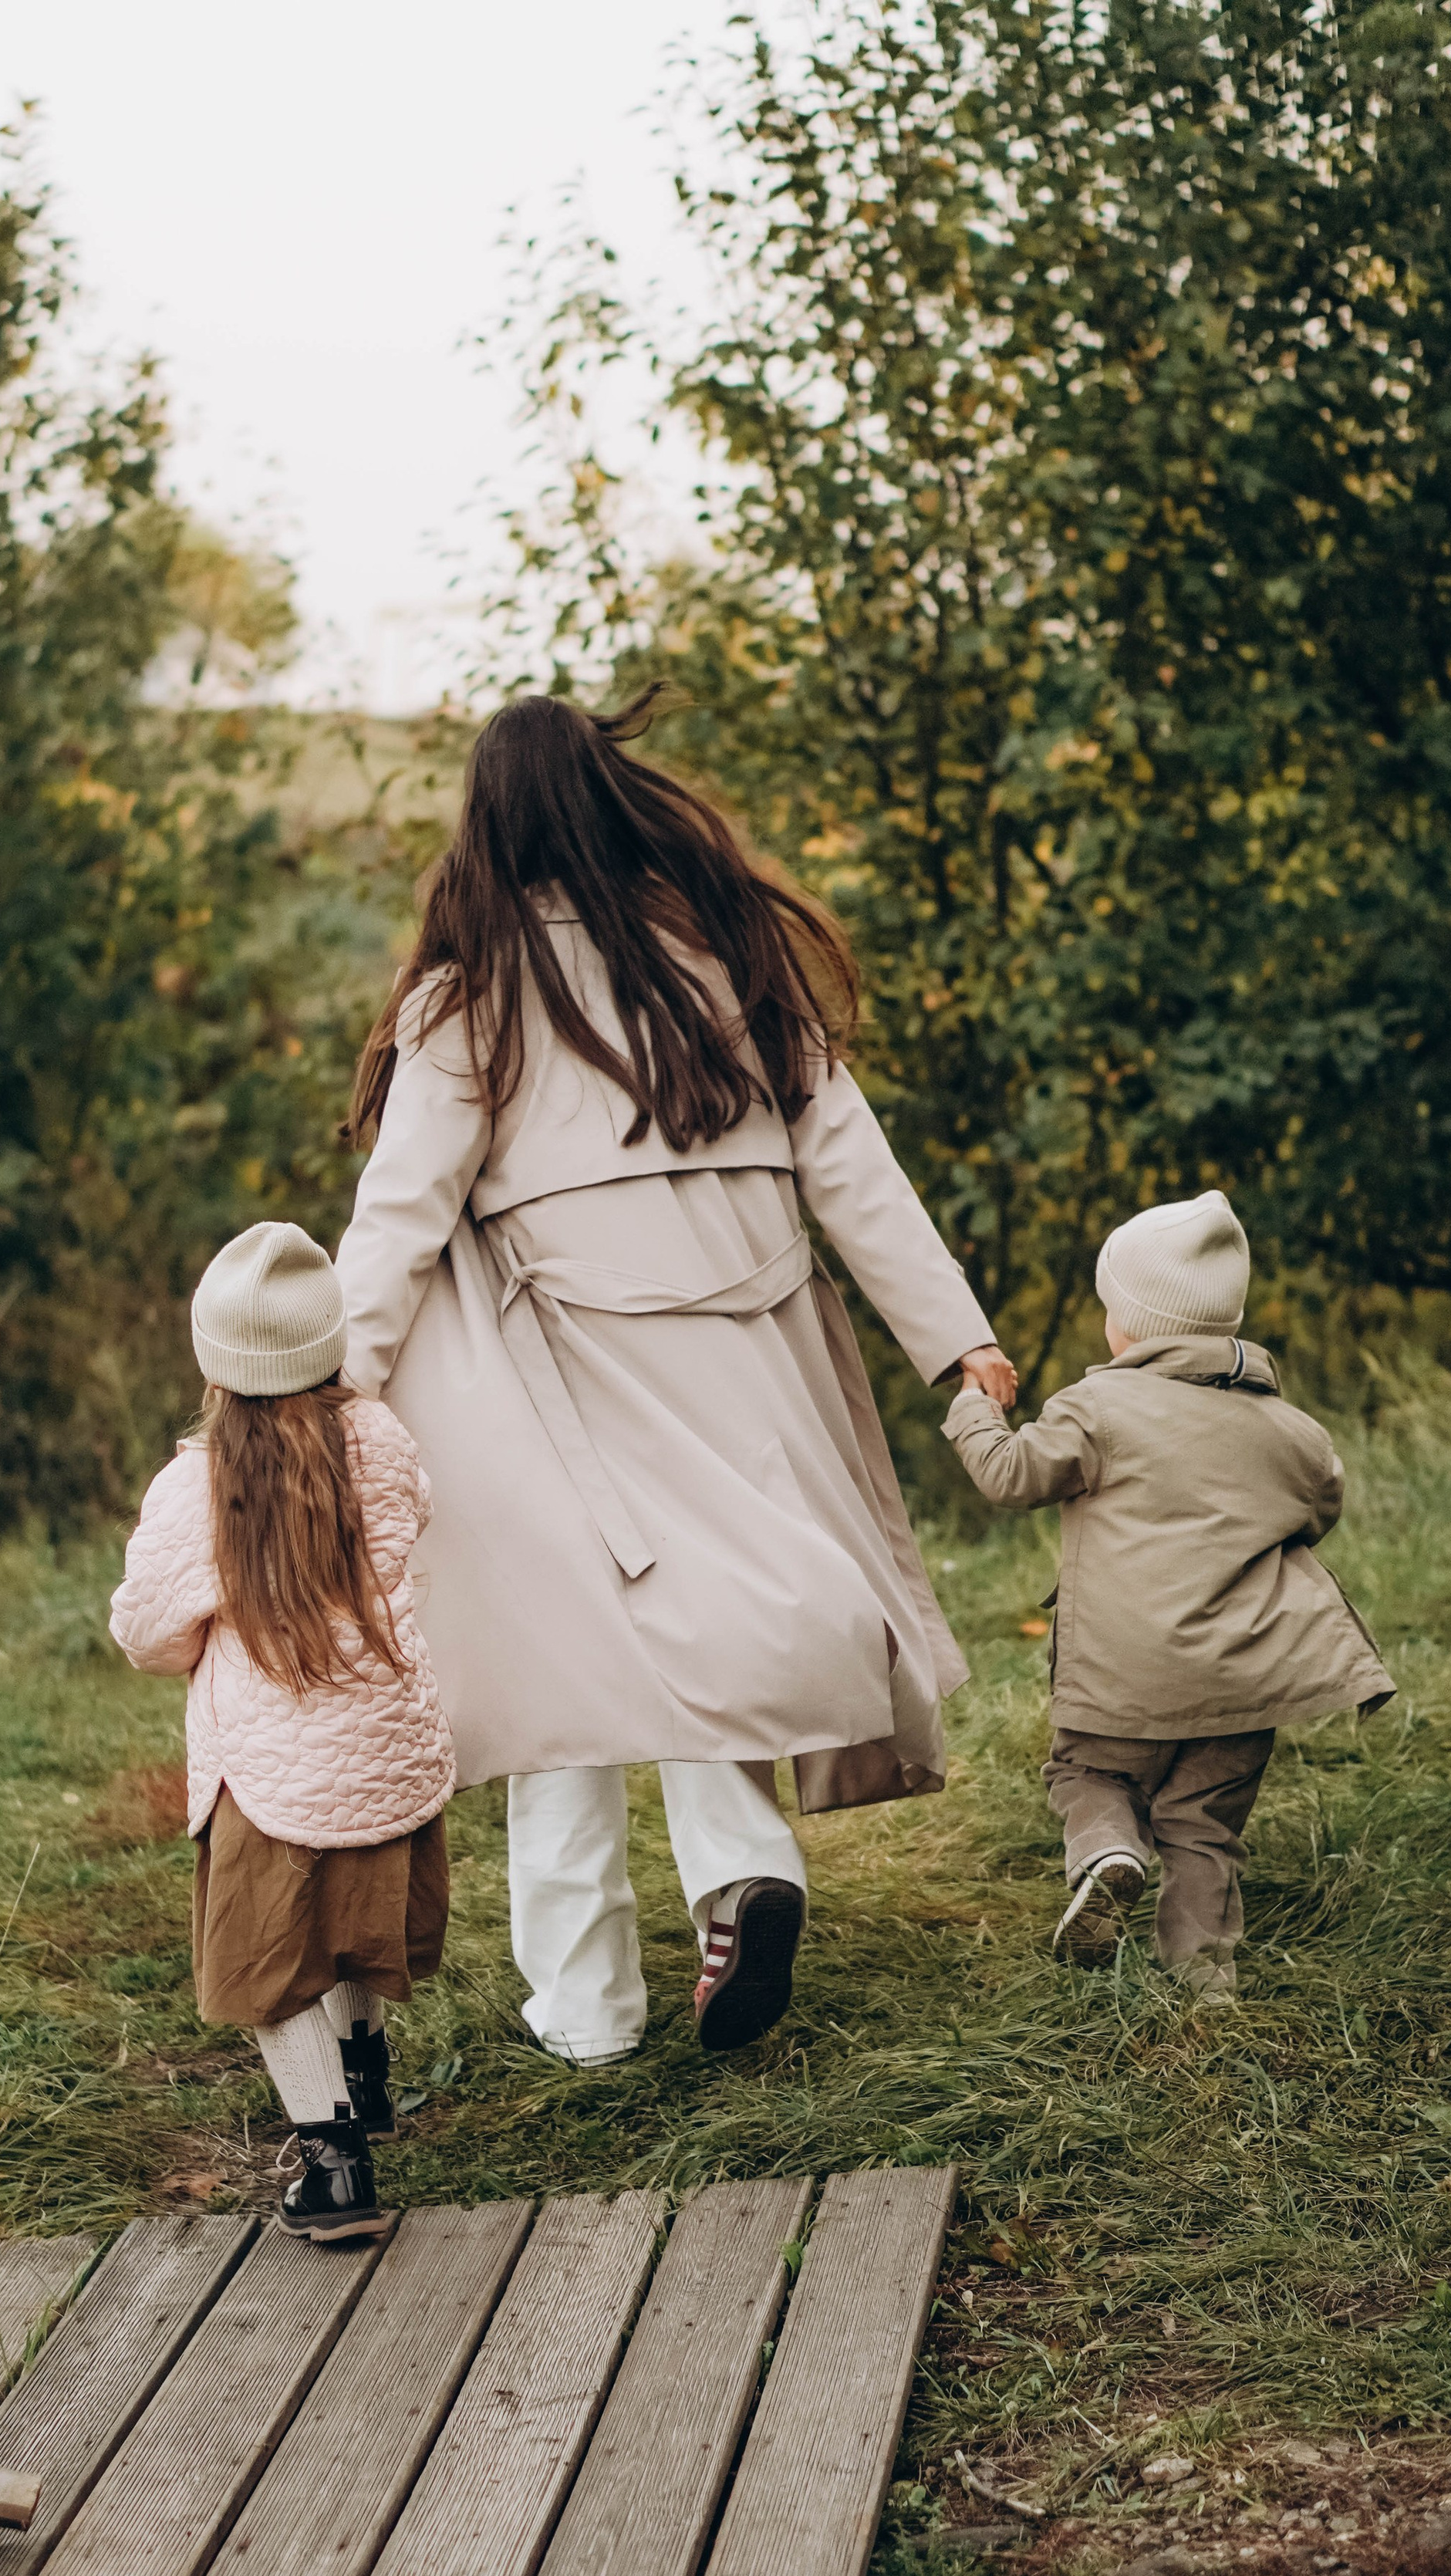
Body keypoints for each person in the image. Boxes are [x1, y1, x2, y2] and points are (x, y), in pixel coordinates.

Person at [334, 688, 1016, 2065]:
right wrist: (959, 1336)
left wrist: (332, 1389)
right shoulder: (728, 963)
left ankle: (583, 2010)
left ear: (489, 828)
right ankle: (741, 1877)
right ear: (613, 800)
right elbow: (852, 1168)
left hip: (559, 1380)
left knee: (558, 1683)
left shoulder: (471, 1002)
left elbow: (399, 1217)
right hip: (751, 1361)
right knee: (715, 1645)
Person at [943, 1189, 1394, 1994]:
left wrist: (973, 1411)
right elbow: (1320, 1507)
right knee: (1205, 1828)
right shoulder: (1289, 1430)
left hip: (1125, 1672)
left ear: (1130, 1324)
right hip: (1243, 1682)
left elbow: (1011, 1476)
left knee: (1087, 1775)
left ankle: (1109, 1852)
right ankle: (1202, 1977)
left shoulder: (1096, 1409)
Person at [109, 1220, 455, 2237]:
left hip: (271, 1777)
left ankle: (335, 2164)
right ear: (328, 1346)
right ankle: (367, 2077)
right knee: (351, 1924)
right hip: (387, 1748)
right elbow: (415, 1515)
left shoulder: (202, 1487)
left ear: (216, 1363)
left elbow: (145, 1631)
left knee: (276, 1966)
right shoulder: (381, 1440)